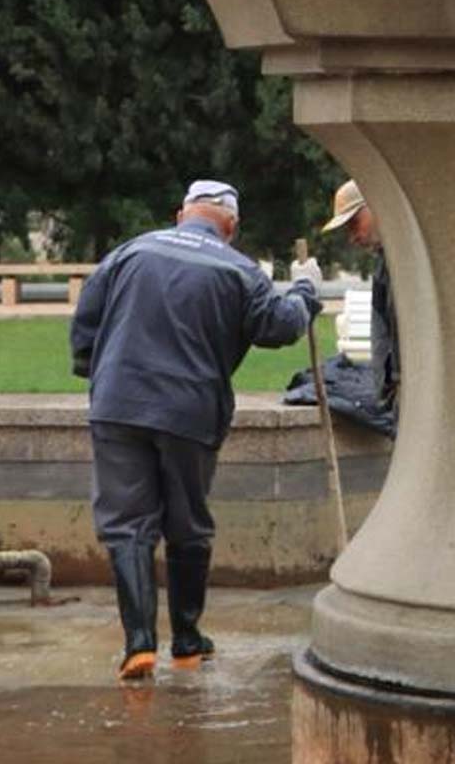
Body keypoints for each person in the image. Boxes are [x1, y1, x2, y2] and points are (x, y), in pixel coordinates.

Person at [71, 180, 321, 680]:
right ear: (231, 226)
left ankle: (138, 644)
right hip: (190, 410)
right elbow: (279, 327)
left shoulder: (129, 252)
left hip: (118, 402)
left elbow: (86, 323)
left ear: (181, 213)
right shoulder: (239, 269)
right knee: (187, 522)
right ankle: (186, 640)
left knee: (126, 524)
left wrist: (97, 372)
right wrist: (305, 290)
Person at [319, 179, 399, 426]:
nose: (353, 237)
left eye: (354, 223)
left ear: (376, 205)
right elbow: (383, 334)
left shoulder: (405, 261)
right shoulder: (386, 264)